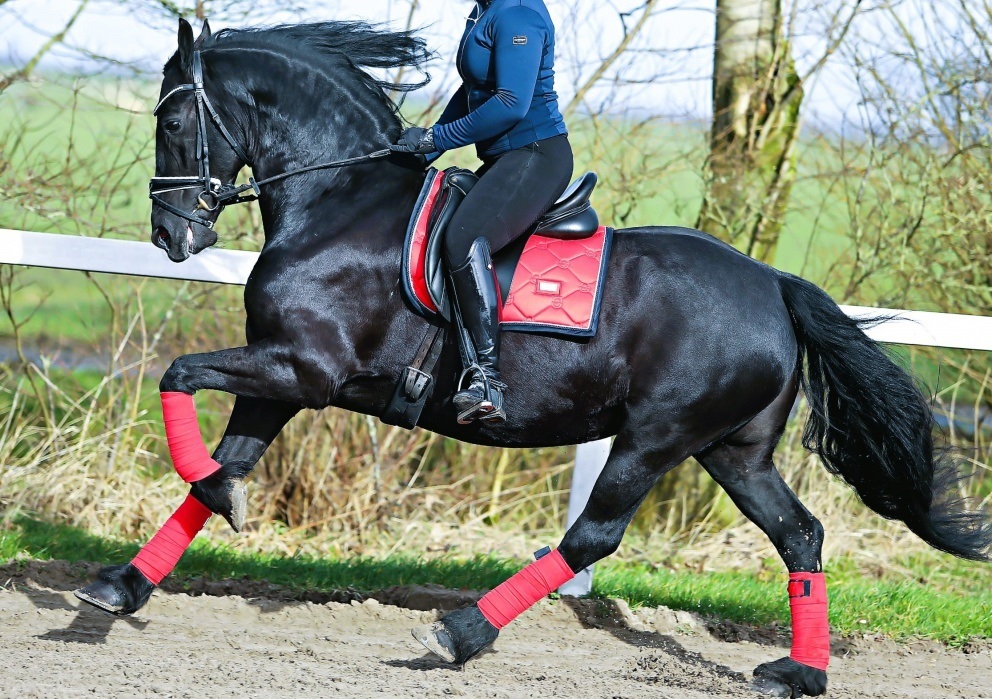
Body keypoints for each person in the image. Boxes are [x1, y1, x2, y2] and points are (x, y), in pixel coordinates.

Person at [391, 0, 574, 425]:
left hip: (535, 155)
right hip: (505, 159)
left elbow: (510, 102)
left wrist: (440, 135)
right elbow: (474, 92)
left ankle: (487, 379)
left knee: (463, 238)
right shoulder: (487, 10)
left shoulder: (517, 14)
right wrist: (429, 148)